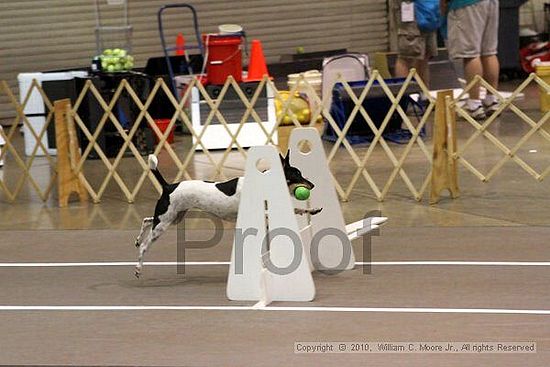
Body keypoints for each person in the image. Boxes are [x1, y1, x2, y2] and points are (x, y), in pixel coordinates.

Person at [442, 0, 500, 119]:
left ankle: (474, 105)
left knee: (471, 54)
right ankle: (491, 101)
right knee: (489, 52)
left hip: (467, 4)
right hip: (491, 3)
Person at [394, 0, 439, 92]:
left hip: (430, 9)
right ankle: (405, 98)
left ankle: (424, 96)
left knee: (424, 56)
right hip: (411, 8)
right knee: (406, 57)